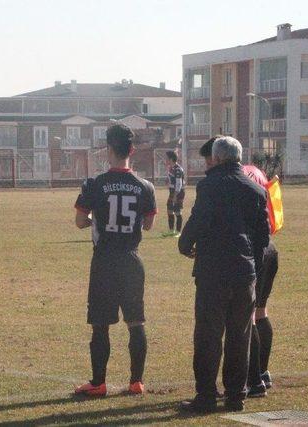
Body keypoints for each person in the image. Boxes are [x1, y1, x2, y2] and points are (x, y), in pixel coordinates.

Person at [178, 136, 269, 413]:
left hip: (213, 272)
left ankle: (206, 395)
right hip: (244, 274)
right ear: (239, 158)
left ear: (216, 158)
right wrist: (251, 264)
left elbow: (199, 220)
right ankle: (235, 396)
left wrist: (185, 244)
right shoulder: (255, 190)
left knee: (208, 335)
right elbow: (262, 238)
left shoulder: (209, 186)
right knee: (239, 336)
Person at [73, 124, 157, 397]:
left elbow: (79, 221)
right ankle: (136, 382)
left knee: (101, 324)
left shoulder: (94, 184)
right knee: (136, 322)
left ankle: (98, 383)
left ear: (108, 149)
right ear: (132, 150)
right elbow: (148, 225)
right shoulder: (145, 187)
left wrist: (96, 221)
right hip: (132, 261)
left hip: (104, 262)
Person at [241, 164, 279, 394]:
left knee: (248, 317)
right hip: (269, 248)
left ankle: (253, 378)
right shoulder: (255, 170)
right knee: (261, 311)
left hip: (250, 248)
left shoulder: (238, 175)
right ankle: (263, 372)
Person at [163, 150, 185, 237]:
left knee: (177, 212)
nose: (165, 160)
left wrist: (175, 195)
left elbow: (179, 184)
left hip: (178, 192)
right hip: (172, 192)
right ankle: (171, 230)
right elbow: (171, 180)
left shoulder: (178, 169)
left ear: (171, 159)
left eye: (166, 158)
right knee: (169, 210)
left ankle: (178, 232)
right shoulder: (171, 169)